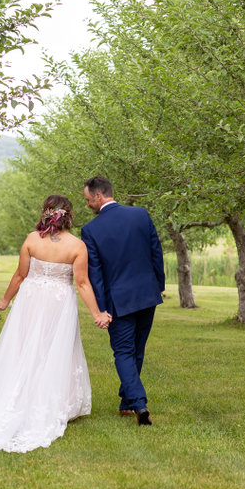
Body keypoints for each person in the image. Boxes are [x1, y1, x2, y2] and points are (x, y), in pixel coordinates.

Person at [0, 195, 110, 453]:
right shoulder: (77, 246)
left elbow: (20, 275)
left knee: (24, 348)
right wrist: (97, 313)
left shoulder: (32, 239)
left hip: (31, 300)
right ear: (69, 215)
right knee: (54, 349)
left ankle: (20, 396)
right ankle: (50, 403)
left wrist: (3, 302)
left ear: (46, 213)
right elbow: (82, 283)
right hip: (58, 302)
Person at [80, 176, 165, 426]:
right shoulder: (141, 215)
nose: (87, 205)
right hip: (147, 295)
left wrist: (102, 308)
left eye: (87, 200)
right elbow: (155, 252)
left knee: (124, 353)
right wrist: (157, 286)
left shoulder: (91, 230)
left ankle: (139, 404)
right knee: (137, 349)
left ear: (98, 196)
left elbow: (95, 274)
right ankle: (127, 402)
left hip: (119, 301)